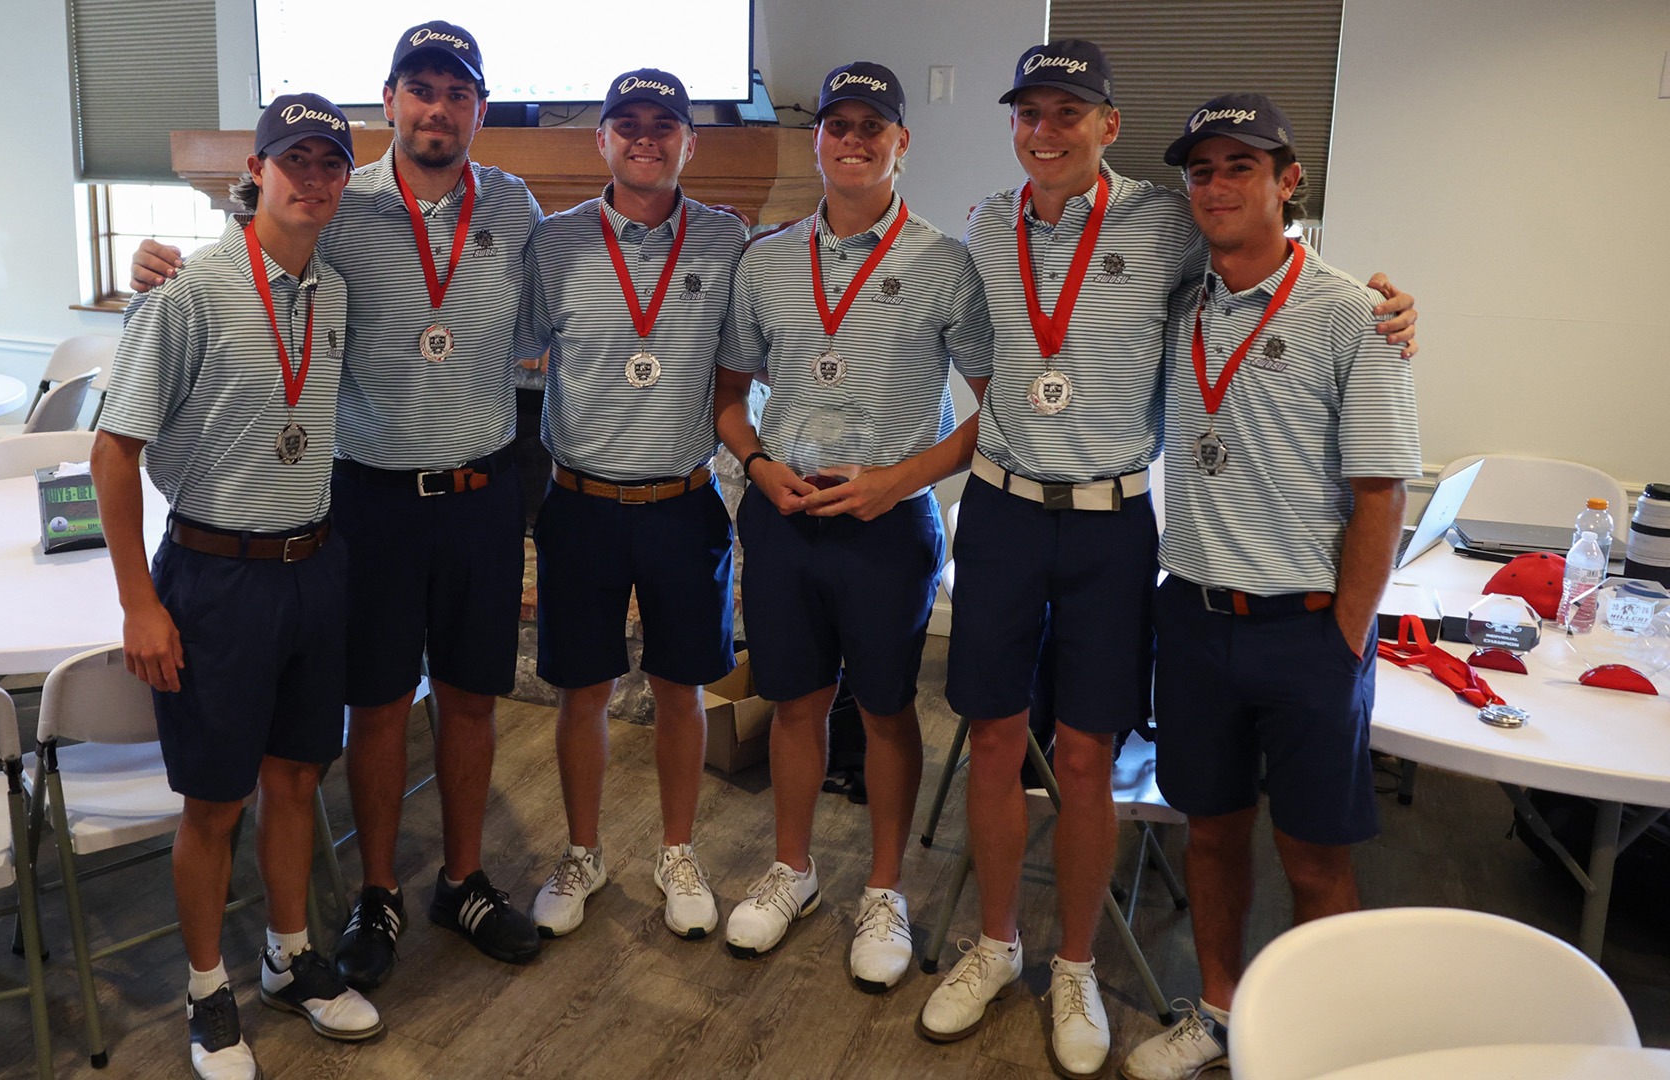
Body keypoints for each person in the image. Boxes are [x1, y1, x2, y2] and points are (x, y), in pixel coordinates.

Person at [920, 41, 1418, 1077]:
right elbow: (982, 352)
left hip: (1115, 528)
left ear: (1108, 128)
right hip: (1013, 516)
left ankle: (1075, 967)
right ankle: (993, 944)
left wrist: (1395, 312)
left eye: (1071, 113)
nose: (1046, 132)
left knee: (1097, 757)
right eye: (1031, 113)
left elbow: (1282, 267)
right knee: (1001, 739)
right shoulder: (981, 224)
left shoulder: (1162, 223)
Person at [131, 20, 545, 984]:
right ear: (389, 102)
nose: (436, 107)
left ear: (478, 110)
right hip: (369, 499)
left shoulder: (516, 207)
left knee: (477, 698)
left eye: (456, 92)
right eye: (419, 89)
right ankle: (379, 895)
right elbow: (252, 249)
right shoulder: (340, 198)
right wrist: (162, 267)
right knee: (381, 704)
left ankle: (466, 878)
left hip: (485, 493)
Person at [1118, 93, 1419, 1080]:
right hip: (1194, 616)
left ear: (1290, 182)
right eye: (1201, 170)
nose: (1216, 186)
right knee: (1210, 833)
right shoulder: (1176, 305)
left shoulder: (1356, 313)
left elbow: (1382, 493)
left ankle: (1327, 1044)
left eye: (1240, 166)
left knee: (1314, 856)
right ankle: (1218, 1012)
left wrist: (1345, 638)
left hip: (1306, 634)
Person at [93, 93, 381, 1080]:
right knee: (213, 804)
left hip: (313, 566)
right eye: (292, 159)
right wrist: (140, 600)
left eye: (329, 163)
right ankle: (207, 989)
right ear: (253, 172)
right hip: (215, 576)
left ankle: (289, 956)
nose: (312, 177)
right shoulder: (187, 292)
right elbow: (112, 452)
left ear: (345, 180)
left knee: (297, 777)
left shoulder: (334, 290)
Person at [714, 62, 993, 991]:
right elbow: (727, 401)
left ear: (901, 145)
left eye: (875, 127)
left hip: (889, 525)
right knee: (793, 702)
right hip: (785, 517)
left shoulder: (945, 263)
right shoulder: (765, 259)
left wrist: (898, 482)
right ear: (819, 141)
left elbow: (998, 413)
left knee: (883, 708)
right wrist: (759, 467)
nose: (854, 141)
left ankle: (885, 892)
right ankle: (793, 869)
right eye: (839, 126)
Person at [514, 69, 748, 940]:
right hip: (579, 504)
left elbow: (745, 366)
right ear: (600, 140)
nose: (645, 137)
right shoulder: (556, 243)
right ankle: (583, 851)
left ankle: (676, 850)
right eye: (628, 123)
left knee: (681, 690)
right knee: (583, 690)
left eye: (664, 124)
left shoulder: (727, 241)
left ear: (691, 141)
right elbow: (513, 345)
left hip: (683, 503)